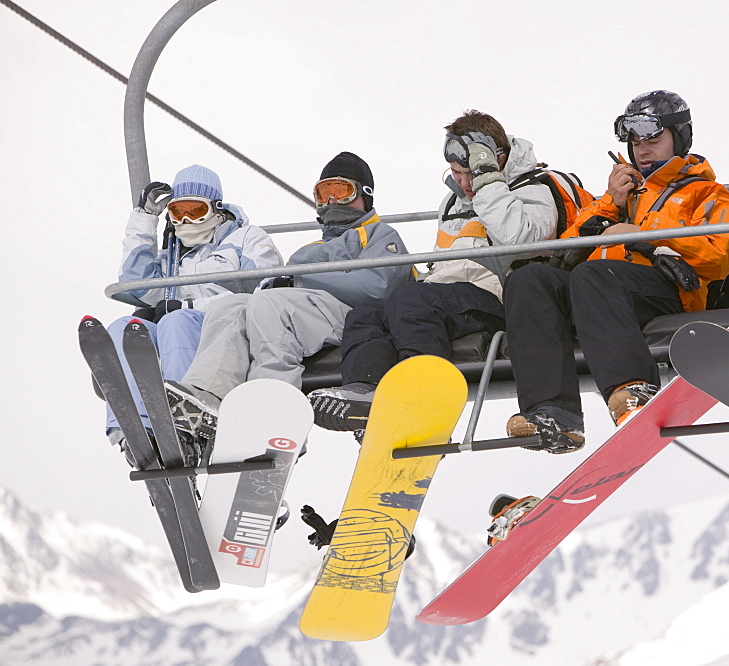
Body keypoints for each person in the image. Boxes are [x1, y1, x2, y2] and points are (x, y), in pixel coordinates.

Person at [502, 90, 729, 453]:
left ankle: (634, 389)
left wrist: (647, 235)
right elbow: (563, 249)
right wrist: (608, 206)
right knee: (529, 279)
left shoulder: (707, 193)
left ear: (680, 137)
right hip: (599, 293)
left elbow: (719, 257)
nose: (643, 150)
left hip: (666, 292)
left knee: (594, 276)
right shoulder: (621, 195)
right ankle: (552, 412)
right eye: (635, 141)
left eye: (654, 139)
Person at [308, 110, 560, 432]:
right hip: (450, 296)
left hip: (499, 297)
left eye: (469, 172)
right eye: (456, 172)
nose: (463, 182)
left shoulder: (532, 185)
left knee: (413, 300)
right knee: (368, 314)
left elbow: (524, 239)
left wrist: (488, 185)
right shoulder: (451, 202)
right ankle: (364, 393)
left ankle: (423, 402)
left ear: (494, 159)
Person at [164, 152, 413, 445]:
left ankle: (273, 407)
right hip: (310, 316)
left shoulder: (379, 235)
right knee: (230, 306)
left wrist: (302, 278)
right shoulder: (310, 250)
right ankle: (209, 395)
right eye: (324, 193)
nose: (331, 201)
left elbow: (379, 286)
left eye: (341, 191)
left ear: (364, 195)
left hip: (360, 319)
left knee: (270, 306)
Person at [106, 164, 283, 465]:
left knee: (176, 320)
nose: (186, 220)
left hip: (222, 331)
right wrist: (144, 219)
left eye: (195, 210)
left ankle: (182, 427)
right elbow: (136, 285)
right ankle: (136, 431)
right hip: (176, 332)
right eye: (177, 212)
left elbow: (265, 290)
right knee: (124, 328)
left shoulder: (245, 238)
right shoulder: (171, 257)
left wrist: (187, 308)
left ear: (216, 209)